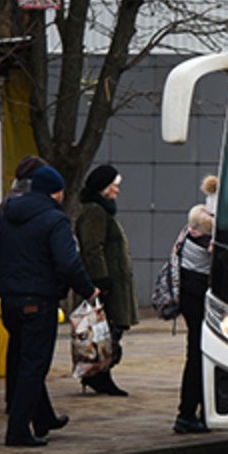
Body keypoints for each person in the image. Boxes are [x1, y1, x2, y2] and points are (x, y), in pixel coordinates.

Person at [0, 166, 99, 447]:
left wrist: (10, 277)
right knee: (33, 366)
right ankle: (18, 431)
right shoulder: (54, 220)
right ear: (56, 192)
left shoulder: (8, 214)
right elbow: (67, 262)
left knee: (27, 360)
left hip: (9, 301)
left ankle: (44, 418)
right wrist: (88, 290)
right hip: (39, 301)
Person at [74, 164, 137, 397]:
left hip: (111, 282)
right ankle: (98, 375)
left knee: (108, 329)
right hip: (105, 284)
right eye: (114, 186)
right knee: (104, 330)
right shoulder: (95, 212)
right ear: (103, 189)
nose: (117, 191)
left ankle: (99, 374)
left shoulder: (103, 211)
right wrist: (101, 279)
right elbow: (92, 248)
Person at [0, 153, 48, 412]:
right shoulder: (41, 209)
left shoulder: (6, 205)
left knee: (18, 349)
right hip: (35, 290)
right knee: (33, 357)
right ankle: (23, 412)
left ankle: (27, 407)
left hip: (9, 290)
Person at [174, 201, 215, 434]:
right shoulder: (207, 245)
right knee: (199, 356)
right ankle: (188, 413)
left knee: (195, 353)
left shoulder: (186, 235)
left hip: (188, 297)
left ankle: (190, 411)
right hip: (200, 299)